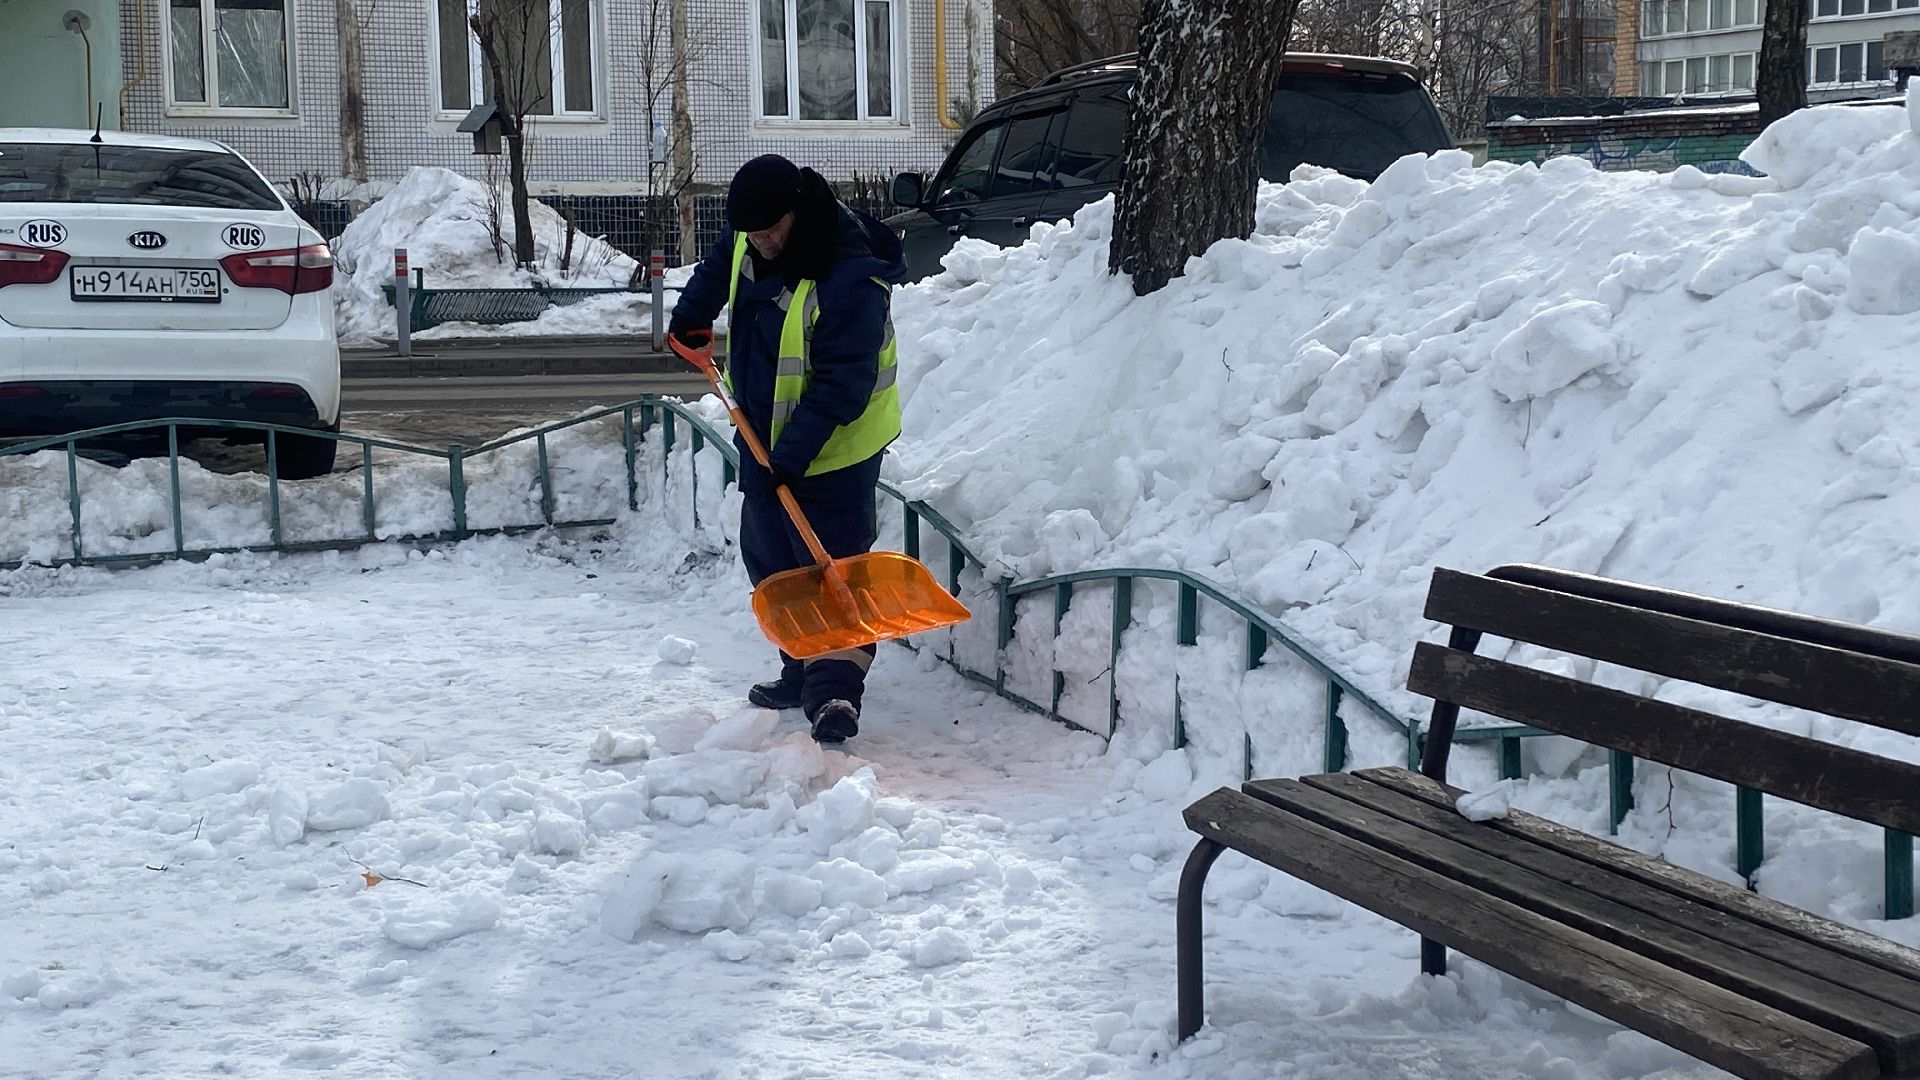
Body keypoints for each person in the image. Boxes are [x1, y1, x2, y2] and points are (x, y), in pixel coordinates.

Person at [667, 154, 908, 744]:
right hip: (766, 436)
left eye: (772, 228)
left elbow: (841, 388)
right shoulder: (752, 234)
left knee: (835, 570)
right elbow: (721, 262)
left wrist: (790, 461)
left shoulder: (852, 278)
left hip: (837, 449)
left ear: (798, 210)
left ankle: (834, 697)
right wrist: (692, 316)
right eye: (752, 231)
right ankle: (800, 668)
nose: (762, 241)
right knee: (771, 558)